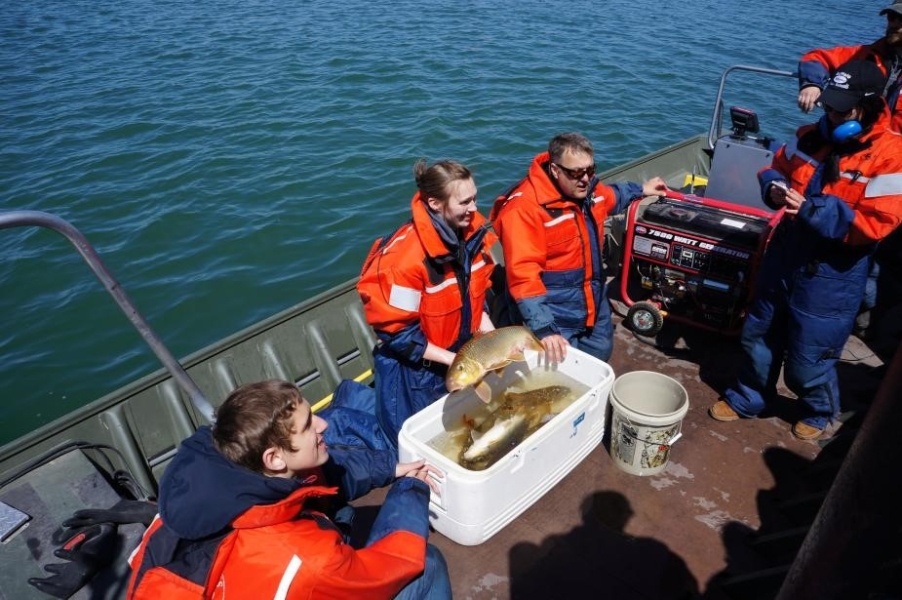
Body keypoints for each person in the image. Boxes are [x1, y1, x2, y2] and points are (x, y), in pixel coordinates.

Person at [710, 61, 902, 440]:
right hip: (785, 254)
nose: (830, 115)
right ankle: (749, 396)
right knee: (760, 331)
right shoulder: (809, 136)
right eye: (828, 107)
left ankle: (817, 410)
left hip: (833, 271)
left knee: (810, 353)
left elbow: (877, 223)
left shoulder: (892, 157)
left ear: (868, 108)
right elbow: (774, 167)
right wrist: (774, 187)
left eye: (840, 110)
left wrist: (813, 209)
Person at [126, 379, 451, 599]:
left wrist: (391, 468)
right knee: (427, 562)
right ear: (274, 458)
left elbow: (328, 473)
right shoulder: (307, 560)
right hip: (290, 571)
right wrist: (410, 489)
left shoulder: (213, 483)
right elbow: (389, 566)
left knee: (338, 508)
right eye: (310, 424)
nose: (323, 424)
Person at [489, 132, 668, 364]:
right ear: (555, 170)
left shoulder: (588, 189)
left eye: (590, 170)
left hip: (594, 303)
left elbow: (611, 197)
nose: (585, 179)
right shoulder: (523, 210)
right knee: (562, 377)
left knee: (598, 358)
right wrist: (544, 328)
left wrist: (641, 190)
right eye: (576, 173)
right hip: (555, 315)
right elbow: (523, 275)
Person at [357, 159, 497, 448]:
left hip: (458, 356)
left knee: (460, 434)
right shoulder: (403, 262)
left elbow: (477, 296)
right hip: (415, 374)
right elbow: (399, 334)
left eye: (475, 198)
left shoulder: (471, 238)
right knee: (417, 445)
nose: (474, 208)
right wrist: (460, 362)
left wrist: (493, 340)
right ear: (435, 203)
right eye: (465, 201)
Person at [797, 2, 902, 130]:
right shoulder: (866, 55)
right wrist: (812, 84)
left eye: (901, 19)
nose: (894, 24)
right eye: (891, 17)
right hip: (856, 136)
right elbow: (816, 58)